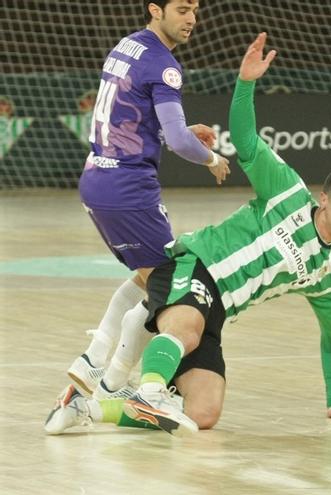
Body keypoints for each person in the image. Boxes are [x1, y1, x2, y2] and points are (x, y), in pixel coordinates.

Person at [45, 33, 331, 436]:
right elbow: (247, 140)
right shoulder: (287, 190)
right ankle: (137, 386)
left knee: (203, 414)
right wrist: (246, 82)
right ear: (324, 199)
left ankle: (90, 410)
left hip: (220, 312)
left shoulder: (329, 274)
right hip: (198, 266)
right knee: (180, 325)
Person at [68, 0, 231, 402]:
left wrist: (176, 130)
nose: (191, 18)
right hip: (128, 188)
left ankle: (94, 362)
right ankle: (112, 380)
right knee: (168, 286)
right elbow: (178, 142)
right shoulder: (163, 64)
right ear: (155, 9)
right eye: (181, 9)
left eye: (194, 8)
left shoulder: (126, 46)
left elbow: (130, 124)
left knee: (147, 277)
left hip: (96, 180)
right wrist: (211, 158)